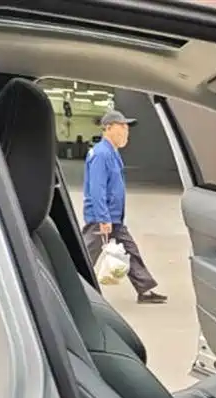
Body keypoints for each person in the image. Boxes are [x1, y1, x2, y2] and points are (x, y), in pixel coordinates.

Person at [82, 109, 167, 304]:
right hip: (101, 218)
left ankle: (144, 289)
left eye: (126, 128)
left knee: (130, 250)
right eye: (122, 127)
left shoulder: (112, 153)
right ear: (108, 128)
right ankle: (70, 285)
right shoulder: (101, 154)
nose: (126, 131)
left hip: (114, 217)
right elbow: (97, 189)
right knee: (86, 255)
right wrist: (103, 218)